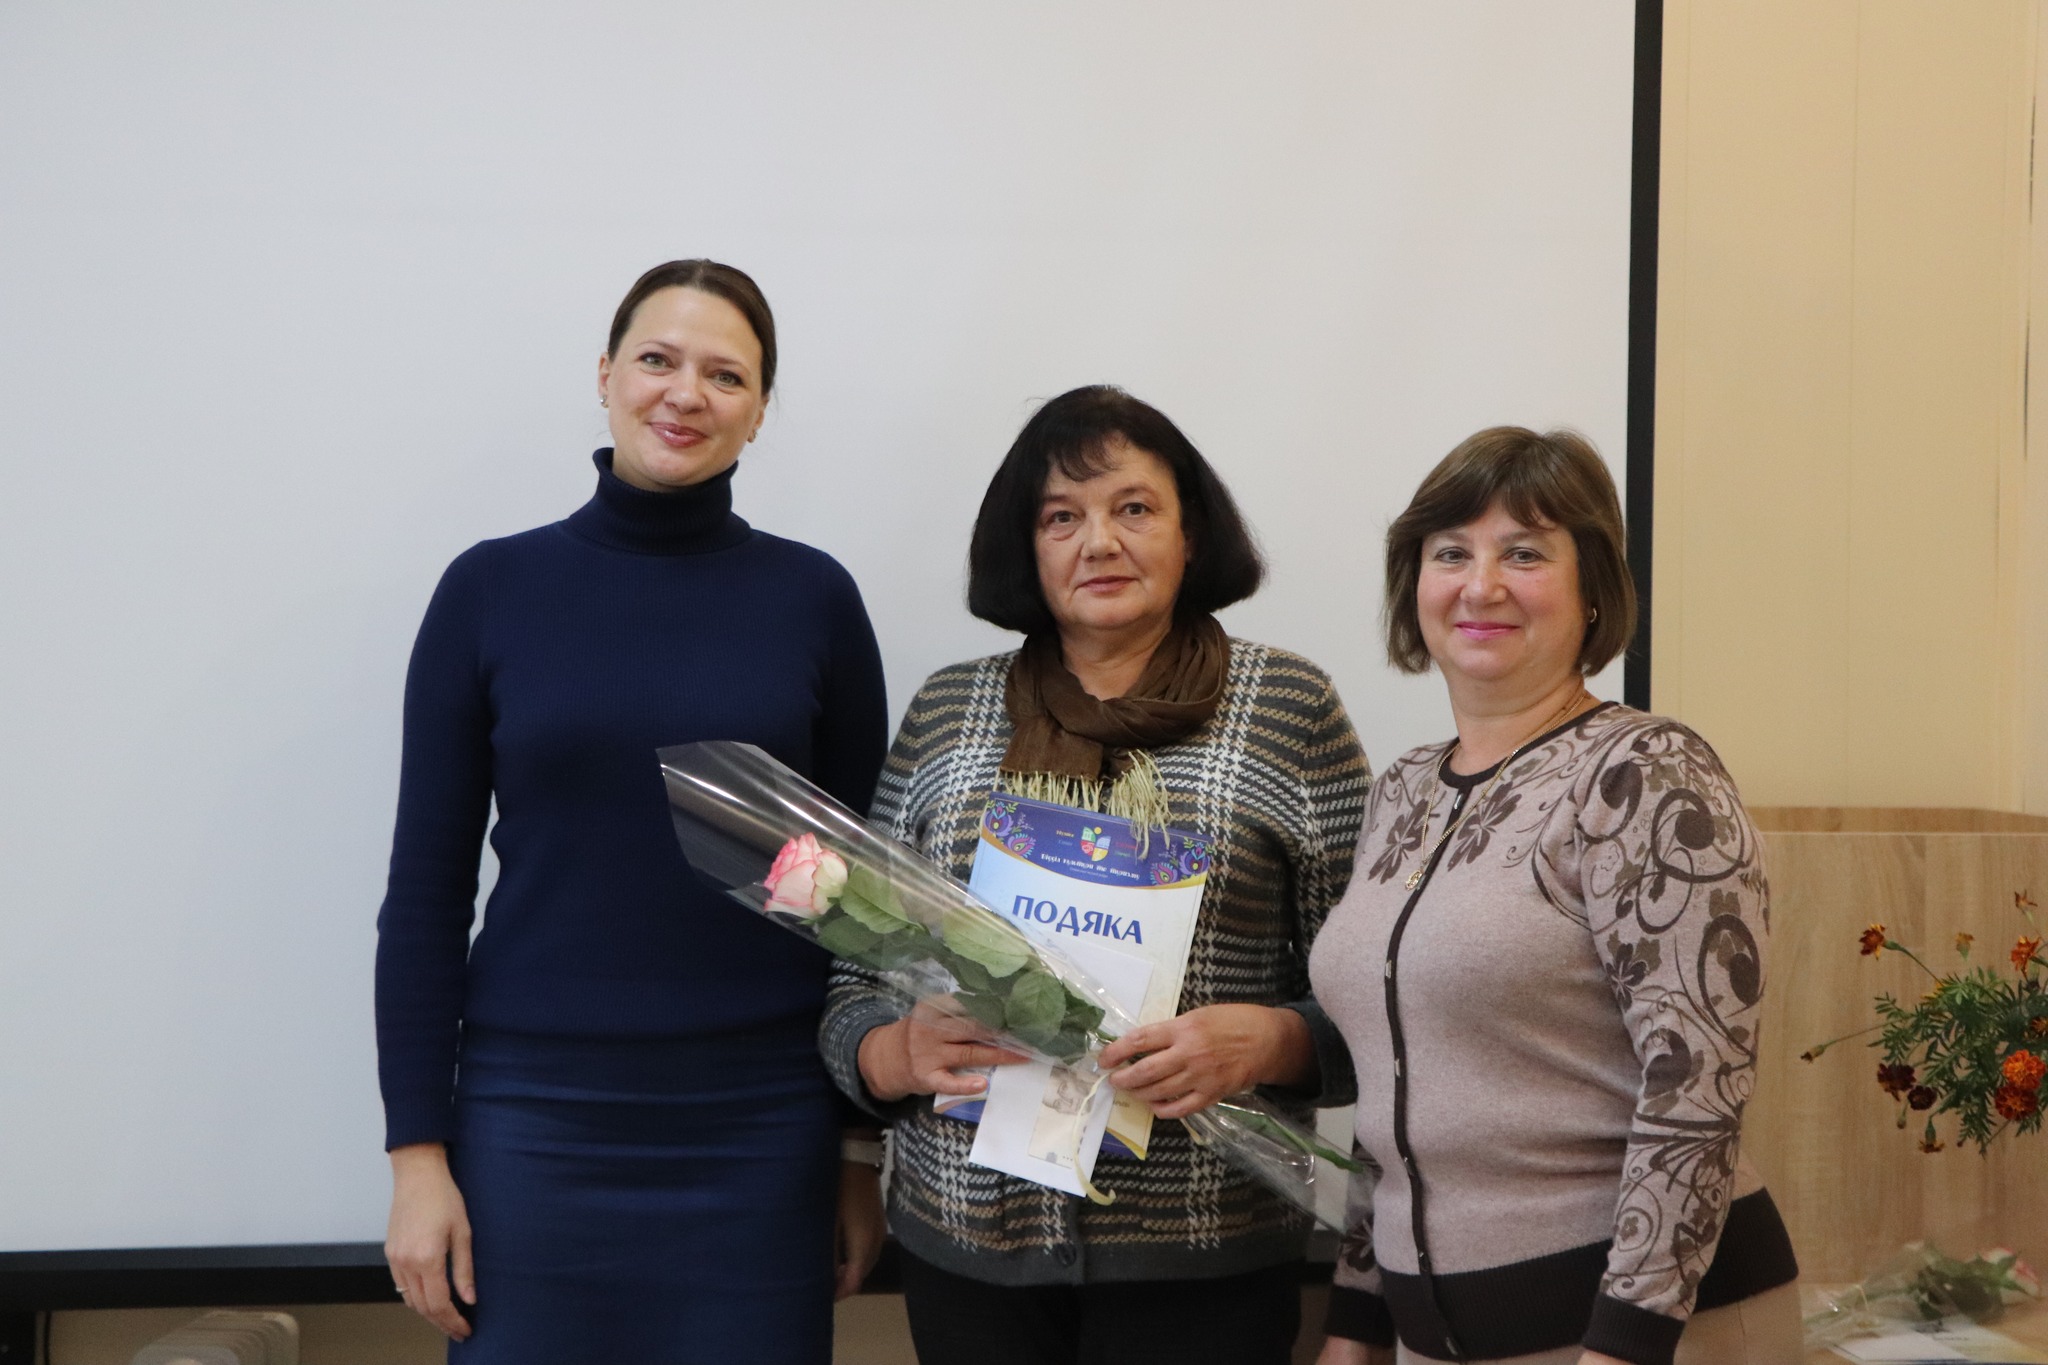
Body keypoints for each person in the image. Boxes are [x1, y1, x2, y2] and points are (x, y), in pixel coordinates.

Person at [374, 260, 890, 1363]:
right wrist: (416, 1158)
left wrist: (857, 1151)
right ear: (606, 375)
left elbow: (861, 907)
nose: (685, 393)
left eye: (726, 375)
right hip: (533, 1117)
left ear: (759, 410)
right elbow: (424, 898)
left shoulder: (814, 600)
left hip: (760, 1116)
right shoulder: (489, 590)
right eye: (658, 360)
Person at [820, 384, 1372, 1365]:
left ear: (1190, 533)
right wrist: (890, 1052)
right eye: (1061, 518)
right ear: (1027, 548)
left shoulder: (1288, 709)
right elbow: (857, 972)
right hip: (967, 1246)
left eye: (1134, 508)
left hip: (1205, 1249)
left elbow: (1380, 990)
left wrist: (1271, 1040)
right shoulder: (948, 712)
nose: (1099, 542)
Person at [1310, 428, 1800, 1365]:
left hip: (1644, 1334)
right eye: (1451, 552)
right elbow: (1392, 1082)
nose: (1481, 585)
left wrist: (1626, 1345)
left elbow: (1695, 1085)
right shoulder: (1403, 790)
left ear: (1593, 591)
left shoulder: (1647, 772)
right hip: (1433, 1338)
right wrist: (1356, 1321)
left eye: (1526, 554)